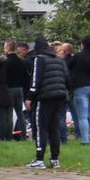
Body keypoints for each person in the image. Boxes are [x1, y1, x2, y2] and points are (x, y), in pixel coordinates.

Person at [26, 37, 71, 169]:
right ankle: (54, 159)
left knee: (41, 127)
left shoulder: (39, 59)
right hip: (59, 96)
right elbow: (67, 78)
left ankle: (39, 159)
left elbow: (36, 81)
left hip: (44, 97)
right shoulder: (59, 60)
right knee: (54, 128)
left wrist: (30, 96)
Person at [69, 36, 90, 145]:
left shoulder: (78, 57)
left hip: (81, 86)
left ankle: (85, 140)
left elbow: (68, 66)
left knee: (82, 115)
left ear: (83, 45)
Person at [5, 41, 29, 141]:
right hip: (19, 89)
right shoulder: (21, 61)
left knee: (9, 114)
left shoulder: (5, 62)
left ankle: (9, 136)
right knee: (20, 113)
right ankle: (23, 135)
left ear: (7, 48)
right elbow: (25, 77)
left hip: (9, 89)